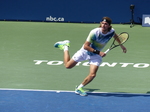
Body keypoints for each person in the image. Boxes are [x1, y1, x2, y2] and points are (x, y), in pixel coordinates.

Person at [54, 17, 127, 96]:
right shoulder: (94, 32)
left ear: (109, 26)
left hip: (95, 56)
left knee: (93, 74)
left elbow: (115, 36)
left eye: (106, 24)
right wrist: (99, 52)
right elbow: (86, 46)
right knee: (67, 66)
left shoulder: (112, 31)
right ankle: (65, 46)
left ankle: (79, 88)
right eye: (102, 23)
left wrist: (121, 45)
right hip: (85, 52)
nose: (103, 25)